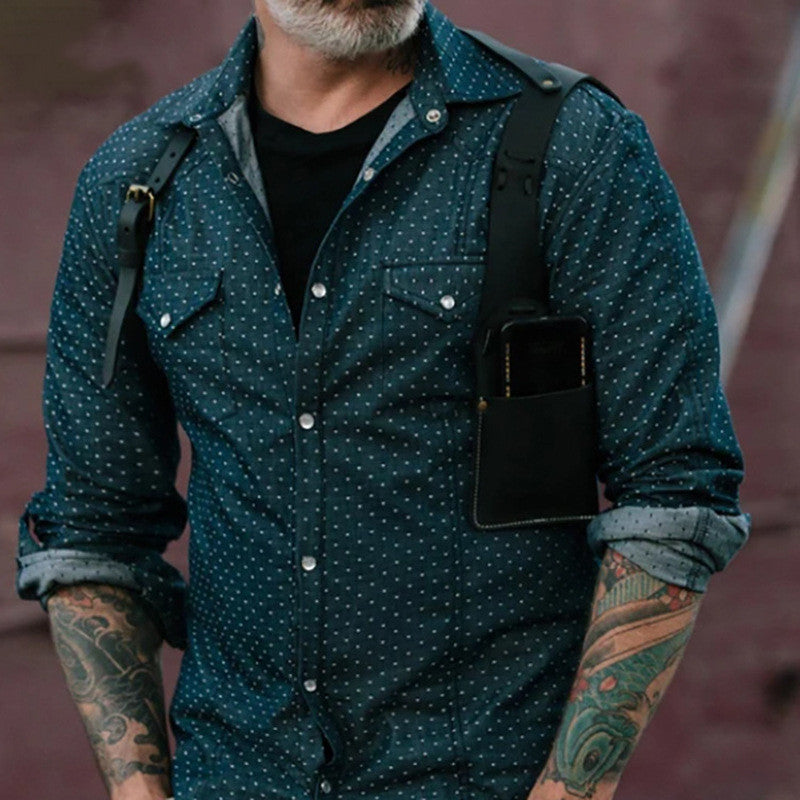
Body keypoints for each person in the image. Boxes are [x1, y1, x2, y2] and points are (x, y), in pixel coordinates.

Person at [14, 1, 752, 799]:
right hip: (233, 775)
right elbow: (92, 529)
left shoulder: (575, 144)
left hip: (480, 779)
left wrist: (569, 792)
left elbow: (675, 493)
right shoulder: (138, 180)